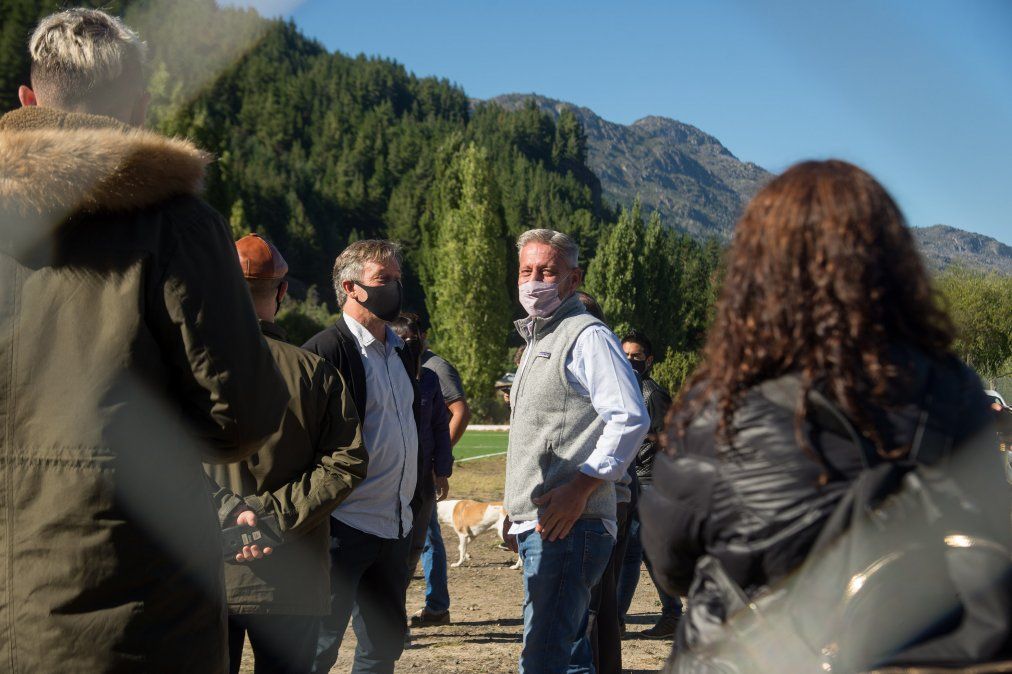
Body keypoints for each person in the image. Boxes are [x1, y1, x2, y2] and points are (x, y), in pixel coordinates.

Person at [0, 9, 289, 672]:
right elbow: (242, 414)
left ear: (27, 100)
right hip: (134, 606)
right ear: (138, 108)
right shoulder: (177, 226)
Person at [640, 160, 1011, 670]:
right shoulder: (954, 392)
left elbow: (670, 563)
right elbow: (988, 535)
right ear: (893, 264)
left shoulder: (719, 408)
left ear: (756, 274)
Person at [206, 234, 369, 674]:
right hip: (291, 580)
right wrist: (270, 518)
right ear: (281, 292)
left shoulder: (185, 370)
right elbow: (347, 461)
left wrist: (229, 513)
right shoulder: (315, 373)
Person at [505, 228, 649, 673]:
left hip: (572, 524)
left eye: (547, 271)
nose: (534, 281)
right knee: (560, 652)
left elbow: (630, 416)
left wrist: (581, 487)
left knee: (551, 657)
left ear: (573, 278)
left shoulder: (586, 335)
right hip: (543, 524)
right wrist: (517, 510)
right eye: (526, 270)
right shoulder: (537, 340)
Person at [303, 240, 420, 674]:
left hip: (395, 525)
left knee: (382, 648)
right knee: (318, 647)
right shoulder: (323, 353)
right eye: (383, 280)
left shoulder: (402, 352)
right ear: (351, 287)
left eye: (397, 279)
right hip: (341, 526)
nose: (395, 288)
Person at [616, 330, 682, 639]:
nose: (630, 360)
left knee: (631, 549)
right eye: (625, 354)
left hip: (649, 481)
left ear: (649, 360)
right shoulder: (621, 388)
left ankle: (615, 618)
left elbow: (669, 440)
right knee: (645, 553)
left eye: (637, 356)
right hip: (632, 478)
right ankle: (672, 614)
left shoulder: (652, 394)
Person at [390, 316, 454, 628]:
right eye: (404, 342)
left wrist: (442, 471)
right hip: (389, 481)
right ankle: (389, 616)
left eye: (415, 341)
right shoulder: (384, 377)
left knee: (417, 547)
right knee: (392, 549)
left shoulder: (429, 380)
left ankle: (396, 612)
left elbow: (441, 426)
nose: (412, 347)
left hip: (423, 482)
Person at [410, 317, 470, 627]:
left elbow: (459, 411)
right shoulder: (396, 362)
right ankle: (435, 605)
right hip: (405, 470)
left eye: (410, 334)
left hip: (423, 472)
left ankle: (436, 605)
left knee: (427, 536)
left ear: (423, 335)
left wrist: (437, 463)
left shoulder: (435, 367)